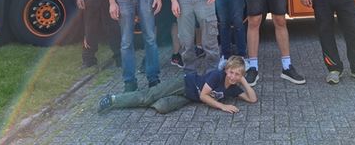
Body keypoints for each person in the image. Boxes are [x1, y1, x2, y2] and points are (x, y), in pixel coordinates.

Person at [98, 55, 256, 115]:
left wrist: (243, 81)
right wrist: (223, 107)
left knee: (162, 107)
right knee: (147, 98)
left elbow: (252, 99)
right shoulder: (217, 75)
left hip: (189, 97)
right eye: (232, 72)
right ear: (226, 70)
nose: (233, 77)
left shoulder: (234, 87)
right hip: (185, 84)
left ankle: (151, 95)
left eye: (237, 74)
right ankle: (112, 99)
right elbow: (203, 96)